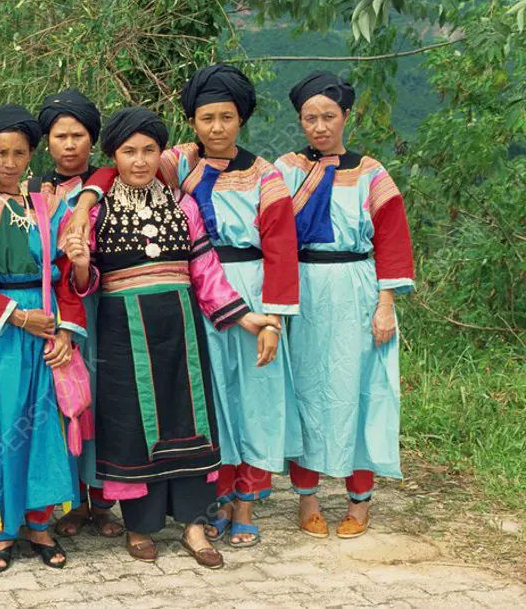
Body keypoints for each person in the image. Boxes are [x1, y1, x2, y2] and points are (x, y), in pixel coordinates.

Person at [79, 107, 274, 568]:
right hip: (121, 331)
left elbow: (205, 270)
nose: (140, 160)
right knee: (131, 429)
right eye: (129, 151)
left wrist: (245, 317)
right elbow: (81, 281)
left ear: (160, 153)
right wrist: (83, 263)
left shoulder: (182, 204)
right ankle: (139, 527)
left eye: (149, 150)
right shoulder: (97, 209)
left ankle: (193, 526)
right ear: (114, 155)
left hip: (181, 330)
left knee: (189, 425)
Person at [0, 105, 87, 572]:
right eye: (0, 152)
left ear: (32, 155)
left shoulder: (50, 207)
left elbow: (66, 274)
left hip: (45, 324)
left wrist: (66, 329)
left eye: (19, 152)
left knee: (44, 422)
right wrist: (16, 316)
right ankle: (3, 529)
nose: (9, 162)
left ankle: (41, 524)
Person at [275, 71, 414, 539]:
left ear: (345, 116)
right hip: (303, 290)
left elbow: (392, 240)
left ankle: (359, 502)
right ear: (300, 120)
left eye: (328, 116)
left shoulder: (370, 172)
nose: (319, 126)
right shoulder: (286, 170)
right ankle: (308, 499)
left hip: (357, 286)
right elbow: (271, 237)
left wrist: (386, 303)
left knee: (361, 390)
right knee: (306, 391)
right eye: (310, 118)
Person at [31, 89, 124, 540]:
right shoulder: (33, 193)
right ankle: (71, 500)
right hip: (58, 308)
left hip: (103, 305)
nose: (70, 146)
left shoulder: (108, 185)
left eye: (79, 135)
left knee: (102, 396)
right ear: (46, 142)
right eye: (60, 136)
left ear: (93, 139)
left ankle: (104, 501)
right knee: (65, 397)